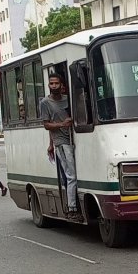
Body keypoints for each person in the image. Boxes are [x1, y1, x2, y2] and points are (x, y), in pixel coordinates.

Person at [40, 72, 81, 221]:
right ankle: (71, 208)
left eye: (56, 83)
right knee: (71, 176)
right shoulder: (45, 103)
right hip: (62, 142)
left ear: (62, 85)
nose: (54, 86)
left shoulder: (67, 100)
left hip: (74, 139)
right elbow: (46, 125)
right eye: (51, 83)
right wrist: (61, 125)